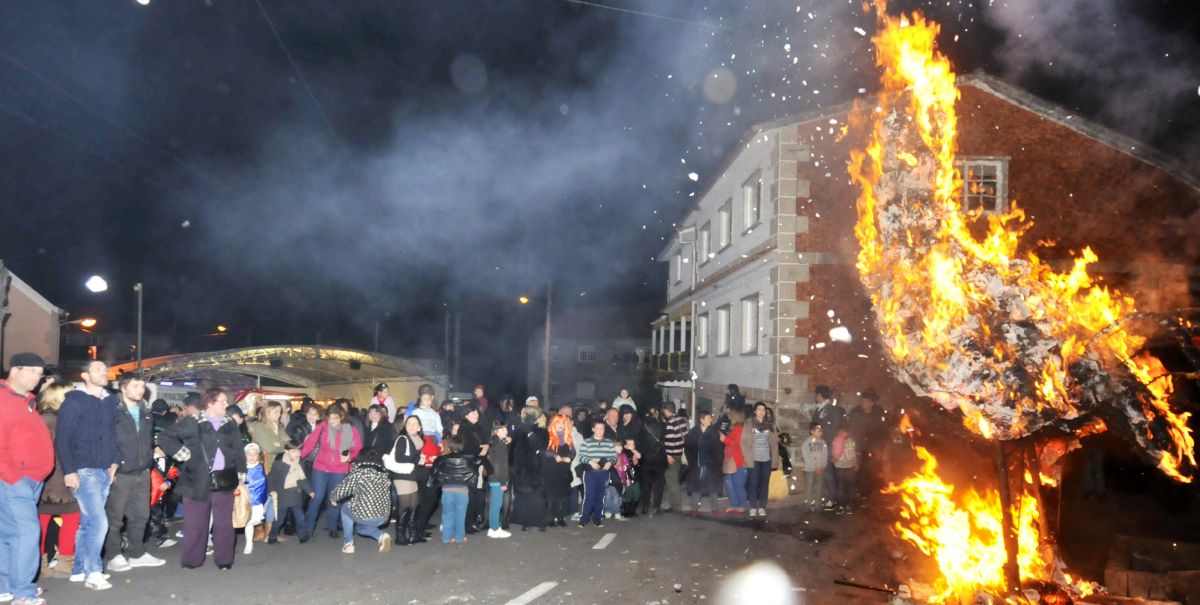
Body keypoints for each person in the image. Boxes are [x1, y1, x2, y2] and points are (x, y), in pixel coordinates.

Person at [158, 387, 247, 570]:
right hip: (195, 481)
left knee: (224, 524)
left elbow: (238, 449)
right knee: (195, 523)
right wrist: (180, 453)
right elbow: (165, 436)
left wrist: (241, 473)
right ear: (210, 402)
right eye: (222, 401)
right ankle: (192, 560)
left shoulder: (230, 422)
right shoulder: (193, 421)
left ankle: (224, 560)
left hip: (224, 479)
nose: (226, 404)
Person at [55, 359, 118, 590]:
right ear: (85, 375)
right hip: (84, 469)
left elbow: (112, 433)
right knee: (99, 522)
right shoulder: (75, 401)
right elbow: (62, 438)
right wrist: (69, 470)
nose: (105, 373)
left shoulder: (111, 401)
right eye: (98, 369)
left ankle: (79, 569)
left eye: (105, 369)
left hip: (104, 470)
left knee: (87, 523)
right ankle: (94, 572)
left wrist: (114, 462)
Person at [1, 353, 54, 605]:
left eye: (39, 373)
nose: (36, 377)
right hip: (14, 480)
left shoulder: (26, 401)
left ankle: (6, 586)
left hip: (31, 480)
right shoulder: (2, 398)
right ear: (14, 370)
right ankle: (23, 593)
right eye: (32, 371)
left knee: (8, 535)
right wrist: (13, 477)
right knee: (26, 532)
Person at [104, 373, 167, 573]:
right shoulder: (112, 411)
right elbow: (105, 439)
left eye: (142, 386)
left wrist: (153, 451)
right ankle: (114, 555)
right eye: (135, 386)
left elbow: (145, 439)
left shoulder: (146, 412)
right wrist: (109, 465)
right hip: (120, 472)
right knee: (115, 518)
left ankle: (137, 553)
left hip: (143, 471)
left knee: (141, 516)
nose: (140, 390)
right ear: (123, 388)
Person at [35, 382, 79, 580]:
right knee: (70, 519)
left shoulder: (46, 417)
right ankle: (63, 563)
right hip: (57, 477)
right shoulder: (54, 419)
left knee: (43, 522)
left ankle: (42, 564)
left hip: (49, 477)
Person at [301, 404, 362, 540]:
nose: (332, 421)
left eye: (335, 418)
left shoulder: (349, 429)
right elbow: (311, 442)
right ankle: (308, 528)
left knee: (335, 498)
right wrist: (300, 456)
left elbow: (357, 448)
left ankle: (333, 527)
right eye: (330, 417)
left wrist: (350, 457)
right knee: (317, 497)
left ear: (341, 417)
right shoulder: (322, 426)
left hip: (339, 468)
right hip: (320, 466)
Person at [330, 449, 393, 554]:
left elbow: (342, 490)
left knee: (345, 508)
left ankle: (348, 544)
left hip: (366, 514)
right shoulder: (384, 474)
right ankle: (381, 536)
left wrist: (333, 498)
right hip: (384, 516)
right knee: (360, 529)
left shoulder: (359, 472)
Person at [382, 415, 430, 545]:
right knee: (404, 508)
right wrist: (417, 460)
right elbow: (400, 458)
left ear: (419, 427)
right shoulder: (403, 439)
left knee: (413, 507)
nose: (412, 426)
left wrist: (420, 461)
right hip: (403, 477)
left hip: (412, 476)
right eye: (409, 423)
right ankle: (400, 537)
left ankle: (413, 535)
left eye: (415, 423)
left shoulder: (417, 440)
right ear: (405, 426)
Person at [429, 436, 484, 544]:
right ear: (462, 446)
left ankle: (446, 537)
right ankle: (459, 537)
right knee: (460, 515)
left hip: (447, 490)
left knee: (447, 514)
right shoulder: (468, 459)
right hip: (462, 491)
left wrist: (432, 485)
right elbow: (474, 472)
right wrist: (472, 486)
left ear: (449, 446)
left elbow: (433, 472)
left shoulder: (442, 459)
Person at [509, 406, 548, 531]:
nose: (521, 416)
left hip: (535, 467)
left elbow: (541, 445)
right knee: (523, 495)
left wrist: (530, 433)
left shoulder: (541, 431)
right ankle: (525, 520)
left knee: (537, 495)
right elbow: (513, 448)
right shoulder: (519, 430)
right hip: (521, 468)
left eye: (524, 414)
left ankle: (539, 521)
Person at [266, 441, 312, 545]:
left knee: (300, 517)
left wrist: (310, 490)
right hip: (282, 495)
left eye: (299, 451)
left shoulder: (299, 463)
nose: (297, 454)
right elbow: (271, 478)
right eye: (293, 451)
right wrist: (272, 490)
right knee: (280, 520)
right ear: (286, 451)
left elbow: (302, 479)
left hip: (295, 494)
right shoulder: (279, 463)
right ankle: (272, 536)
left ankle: (303, 536)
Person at [846, 389, 889, 497]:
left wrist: (881, 446)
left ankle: (871, 491)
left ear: (871, 403)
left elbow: (883, 430)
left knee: (872, 468)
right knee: (857, 468)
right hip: (859, 445)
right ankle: (856, 491)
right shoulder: (855, 412)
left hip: (873, 446)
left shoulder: (878, 412)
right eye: (862, 400)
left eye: (865, 401)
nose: (863, 403)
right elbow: (851, 428)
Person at [741, 402, 780, 519]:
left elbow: (774, 444)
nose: (761, 412)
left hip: (766, 459)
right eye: (759, 409)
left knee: (764, 483)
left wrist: (775, 459)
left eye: (763, 410)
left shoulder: (770, 424)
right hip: (753, 459)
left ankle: (762, 507)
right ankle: (753, 507)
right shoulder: (748, 423)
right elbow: (743, 442)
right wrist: (746, 457)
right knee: (753, 483)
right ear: (755, 411)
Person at [811, 385, 846, 511]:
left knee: (828, 473)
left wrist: (825, 440)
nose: (815, 396)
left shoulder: (831, 409)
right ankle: (826, 497)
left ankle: (832, 499)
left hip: (826, 444)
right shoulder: (819, 408)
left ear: (820, 395)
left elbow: (835, 426)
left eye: (816, 394)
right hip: (819, 443)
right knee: (821, 472)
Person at [684, 411, 723, 515]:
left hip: (711, 464)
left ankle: (715, 508)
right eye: (708, 418)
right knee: (696, 488)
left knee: (713, 487)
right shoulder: (694, 432)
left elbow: (718, 448)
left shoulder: (714, 432)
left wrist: (717, 461)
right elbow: (688, 447)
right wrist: (691, 461)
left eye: (710, 418)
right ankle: (694, 509)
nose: (710, 420)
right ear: (702, 420)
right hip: (697, 464)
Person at [577, 420, 616, 528]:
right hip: (590, 473)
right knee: (589, 497)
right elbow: (581, 456)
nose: (600, 431)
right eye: (597, 428)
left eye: (602, 428)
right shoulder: (587, 442)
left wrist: (610, 462)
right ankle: (583, 519)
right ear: (593, 429)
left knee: (600, 497)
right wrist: (590, 461)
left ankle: (597, 519)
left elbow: (614, 457)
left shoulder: (608, 442)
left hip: (604, 473)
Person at [637, 408, 667, 516]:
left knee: (646, 485)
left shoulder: (642, 427)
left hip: (646, 460)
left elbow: (639, 442)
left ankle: (645, 507)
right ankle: (656, 507)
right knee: (658, 485)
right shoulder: (662, 426)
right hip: (659, 460)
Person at [486, 421, 512, 538]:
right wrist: (502, 482)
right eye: (502, 429)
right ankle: (494, 528)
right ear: (496, 431)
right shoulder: (499, 444)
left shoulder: (496, 442)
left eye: (506, 429)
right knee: (497, 504)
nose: (505, 431)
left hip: (495, 478)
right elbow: (499, 465)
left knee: (496, 504)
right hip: (498, 478)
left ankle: (494, 527)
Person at [242, 443, 269, 553]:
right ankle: (248, 544)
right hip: (243, 500)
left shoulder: (261, 468)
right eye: (249, 454)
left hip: (256, 501)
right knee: (244, 522)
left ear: (258, 455)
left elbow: (263, 484)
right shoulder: (241, 468)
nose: (252, 456)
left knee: (252, 522)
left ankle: (250, 542)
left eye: (255, 454)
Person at [662, 402, 688, 513]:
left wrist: (668, 455)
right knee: (675, 479)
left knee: (671, 481)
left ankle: (676, 506)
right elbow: (686, 436)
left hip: (673, 455)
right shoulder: (682, 421)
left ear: (667, 411)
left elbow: (670, 441)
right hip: (681, 454)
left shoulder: (670, 423)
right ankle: (674, 504)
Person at [721, 408, 748, 515]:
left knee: (737, 484)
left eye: (731, 415)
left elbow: (736, 443)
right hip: (732, 461)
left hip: (738, 462)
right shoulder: (735, 428)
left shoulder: (739, 428)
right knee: (730, 484)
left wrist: (724, 439)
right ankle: (734, 504)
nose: (729, 417)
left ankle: (741, 505)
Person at [249, 401, 288, 475]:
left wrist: (278, 444)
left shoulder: (280, 426)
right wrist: (283, 447)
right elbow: (268, 448)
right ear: (267, 412)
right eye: (276, 412)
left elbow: (288, 442)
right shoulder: (260, 427)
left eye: (280, 411)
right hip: (266, 465)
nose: (279, 414)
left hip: (280, 464)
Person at [830, 427, 859, 514]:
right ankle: (842, 506)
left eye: (844, 432)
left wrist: (856, 463)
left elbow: (855, 452)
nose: (842, 433)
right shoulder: (839, 440)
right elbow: (834, 451)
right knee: (842, 488)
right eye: (841, 432)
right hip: (841, 467)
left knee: (848, 488)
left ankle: (848, 506)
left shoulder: (851, 441)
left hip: (849, 467)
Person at [801, 424, 829, 512]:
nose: (821, 432)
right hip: (810, 469)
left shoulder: (823, 442)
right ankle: (807, 505)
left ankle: (818, 506)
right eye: (818, 430)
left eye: (821, 430)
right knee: (809, 487)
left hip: (820, 469)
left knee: (819, 487)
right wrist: (815, 467)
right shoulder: (806, 443)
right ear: (812, 431)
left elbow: (825, 455)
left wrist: (822, 467)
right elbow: (806, 457)